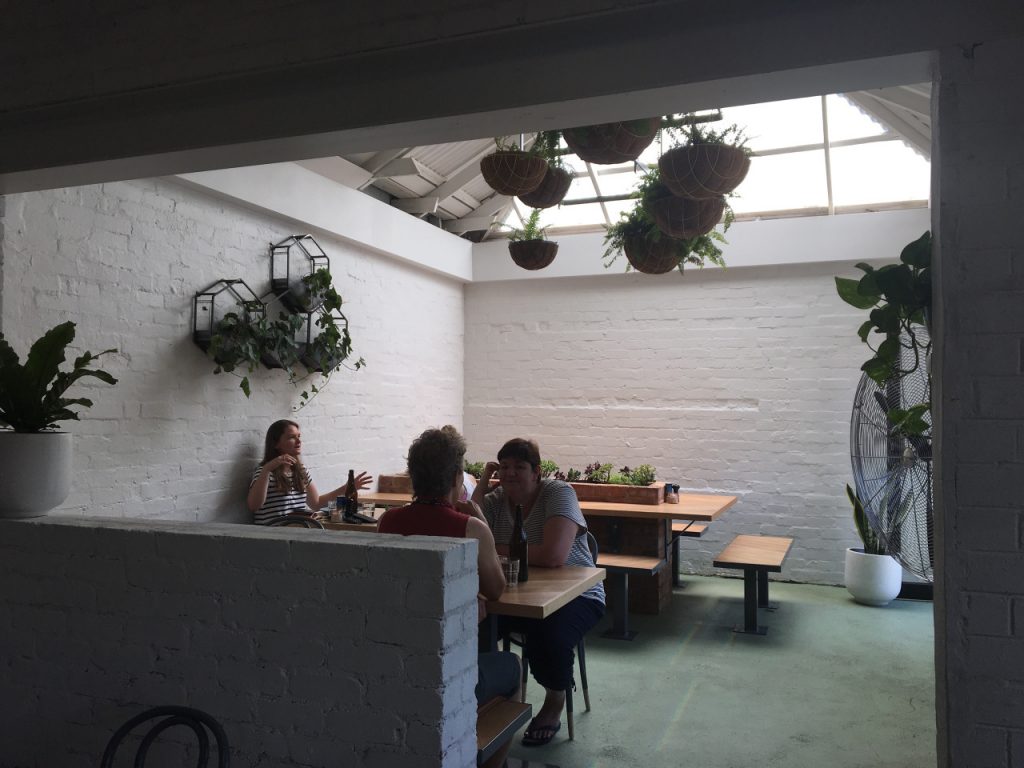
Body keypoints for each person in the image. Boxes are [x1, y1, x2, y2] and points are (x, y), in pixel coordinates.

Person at [378, 426, 521, 768]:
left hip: (398, 666)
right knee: (512, 666)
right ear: (457, 477)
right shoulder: (470, 528)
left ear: (414, 476)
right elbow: (497, 588)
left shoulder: (387, 522)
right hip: (448, 674)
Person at [471, 437, 605, 747]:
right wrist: (484, 481)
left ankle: (554, 702)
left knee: (548, 635)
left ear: (536, 472)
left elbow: (554, 556)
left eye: (519, 467)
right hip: (514, 595)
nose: (510, 473)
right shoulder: (494, 500)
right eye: (504, 467)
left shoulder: (558, 493)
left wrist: (491, 548)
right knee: (471, 626)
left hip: (577, 594)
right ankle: (485, 701)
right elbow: (470, 529)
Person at [247, 419, 372, 525]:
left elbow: (316, 503)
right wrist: (267, 469)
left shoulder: (300, 470)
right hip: (272, 536)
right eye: (291, 437)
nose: (299, 441)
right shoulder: (264, 472)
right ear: (276, 444)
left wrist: (346, 488)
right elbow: (253, 506)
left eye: (299, 436)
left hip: (297, 531)